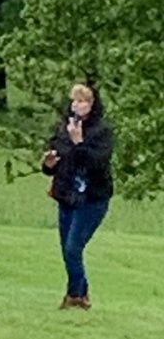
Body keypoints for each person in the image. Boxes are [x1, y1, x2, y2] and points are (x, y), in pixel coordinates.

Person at [42, 82, 113, 309]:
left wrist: (79, 142)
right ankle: (81, 294)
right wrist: (49, 164)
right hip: (67, 195)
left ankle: (74, 295)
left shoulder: (102, 132)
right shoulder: (64, 129)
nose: (77, 105)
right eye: (74, 100)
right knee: (66, 249)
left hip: (92, 198)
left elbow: (96, 163)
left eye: (83, 101)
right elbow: (57, 163)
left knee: (74, 247)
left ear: (92, 105)